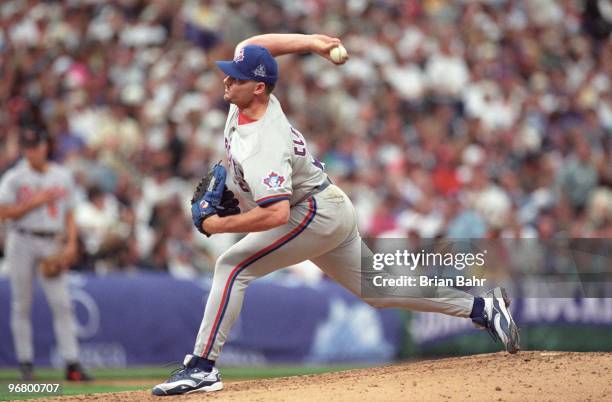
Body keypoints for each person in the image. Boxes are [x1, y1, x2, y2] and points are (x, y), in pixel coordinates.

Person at [152, 34, 519, 396]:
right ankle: (482, 306)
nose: (227, 80)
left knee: (232, 266)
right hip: (326, 205)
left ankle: (202, 367)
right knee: (378, 288)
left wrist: (219, 225)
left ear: (259, 88)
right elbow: (256, 44)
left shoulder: (264, 142)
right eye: (229, 73)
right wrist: (311, 43)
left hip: (312, 212)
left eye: (237, 76)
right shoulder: (245, 100)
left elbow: (277, 213)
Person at [0, 128, 92, 382]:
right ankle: (26, 364)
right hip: (21, 239)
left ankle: (72, 363)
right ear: (24, 149)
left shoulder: (61, 176)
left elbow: (70, 212)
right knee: (21, 304)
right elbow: (3, 212)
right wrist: (34, 202)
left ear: (44, 147)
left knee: (62, 303)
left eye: (36, 146)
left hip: (51, 240)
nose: (32, 151)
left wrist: (72, 243)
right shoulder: (14, 177)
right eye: (27, 147)